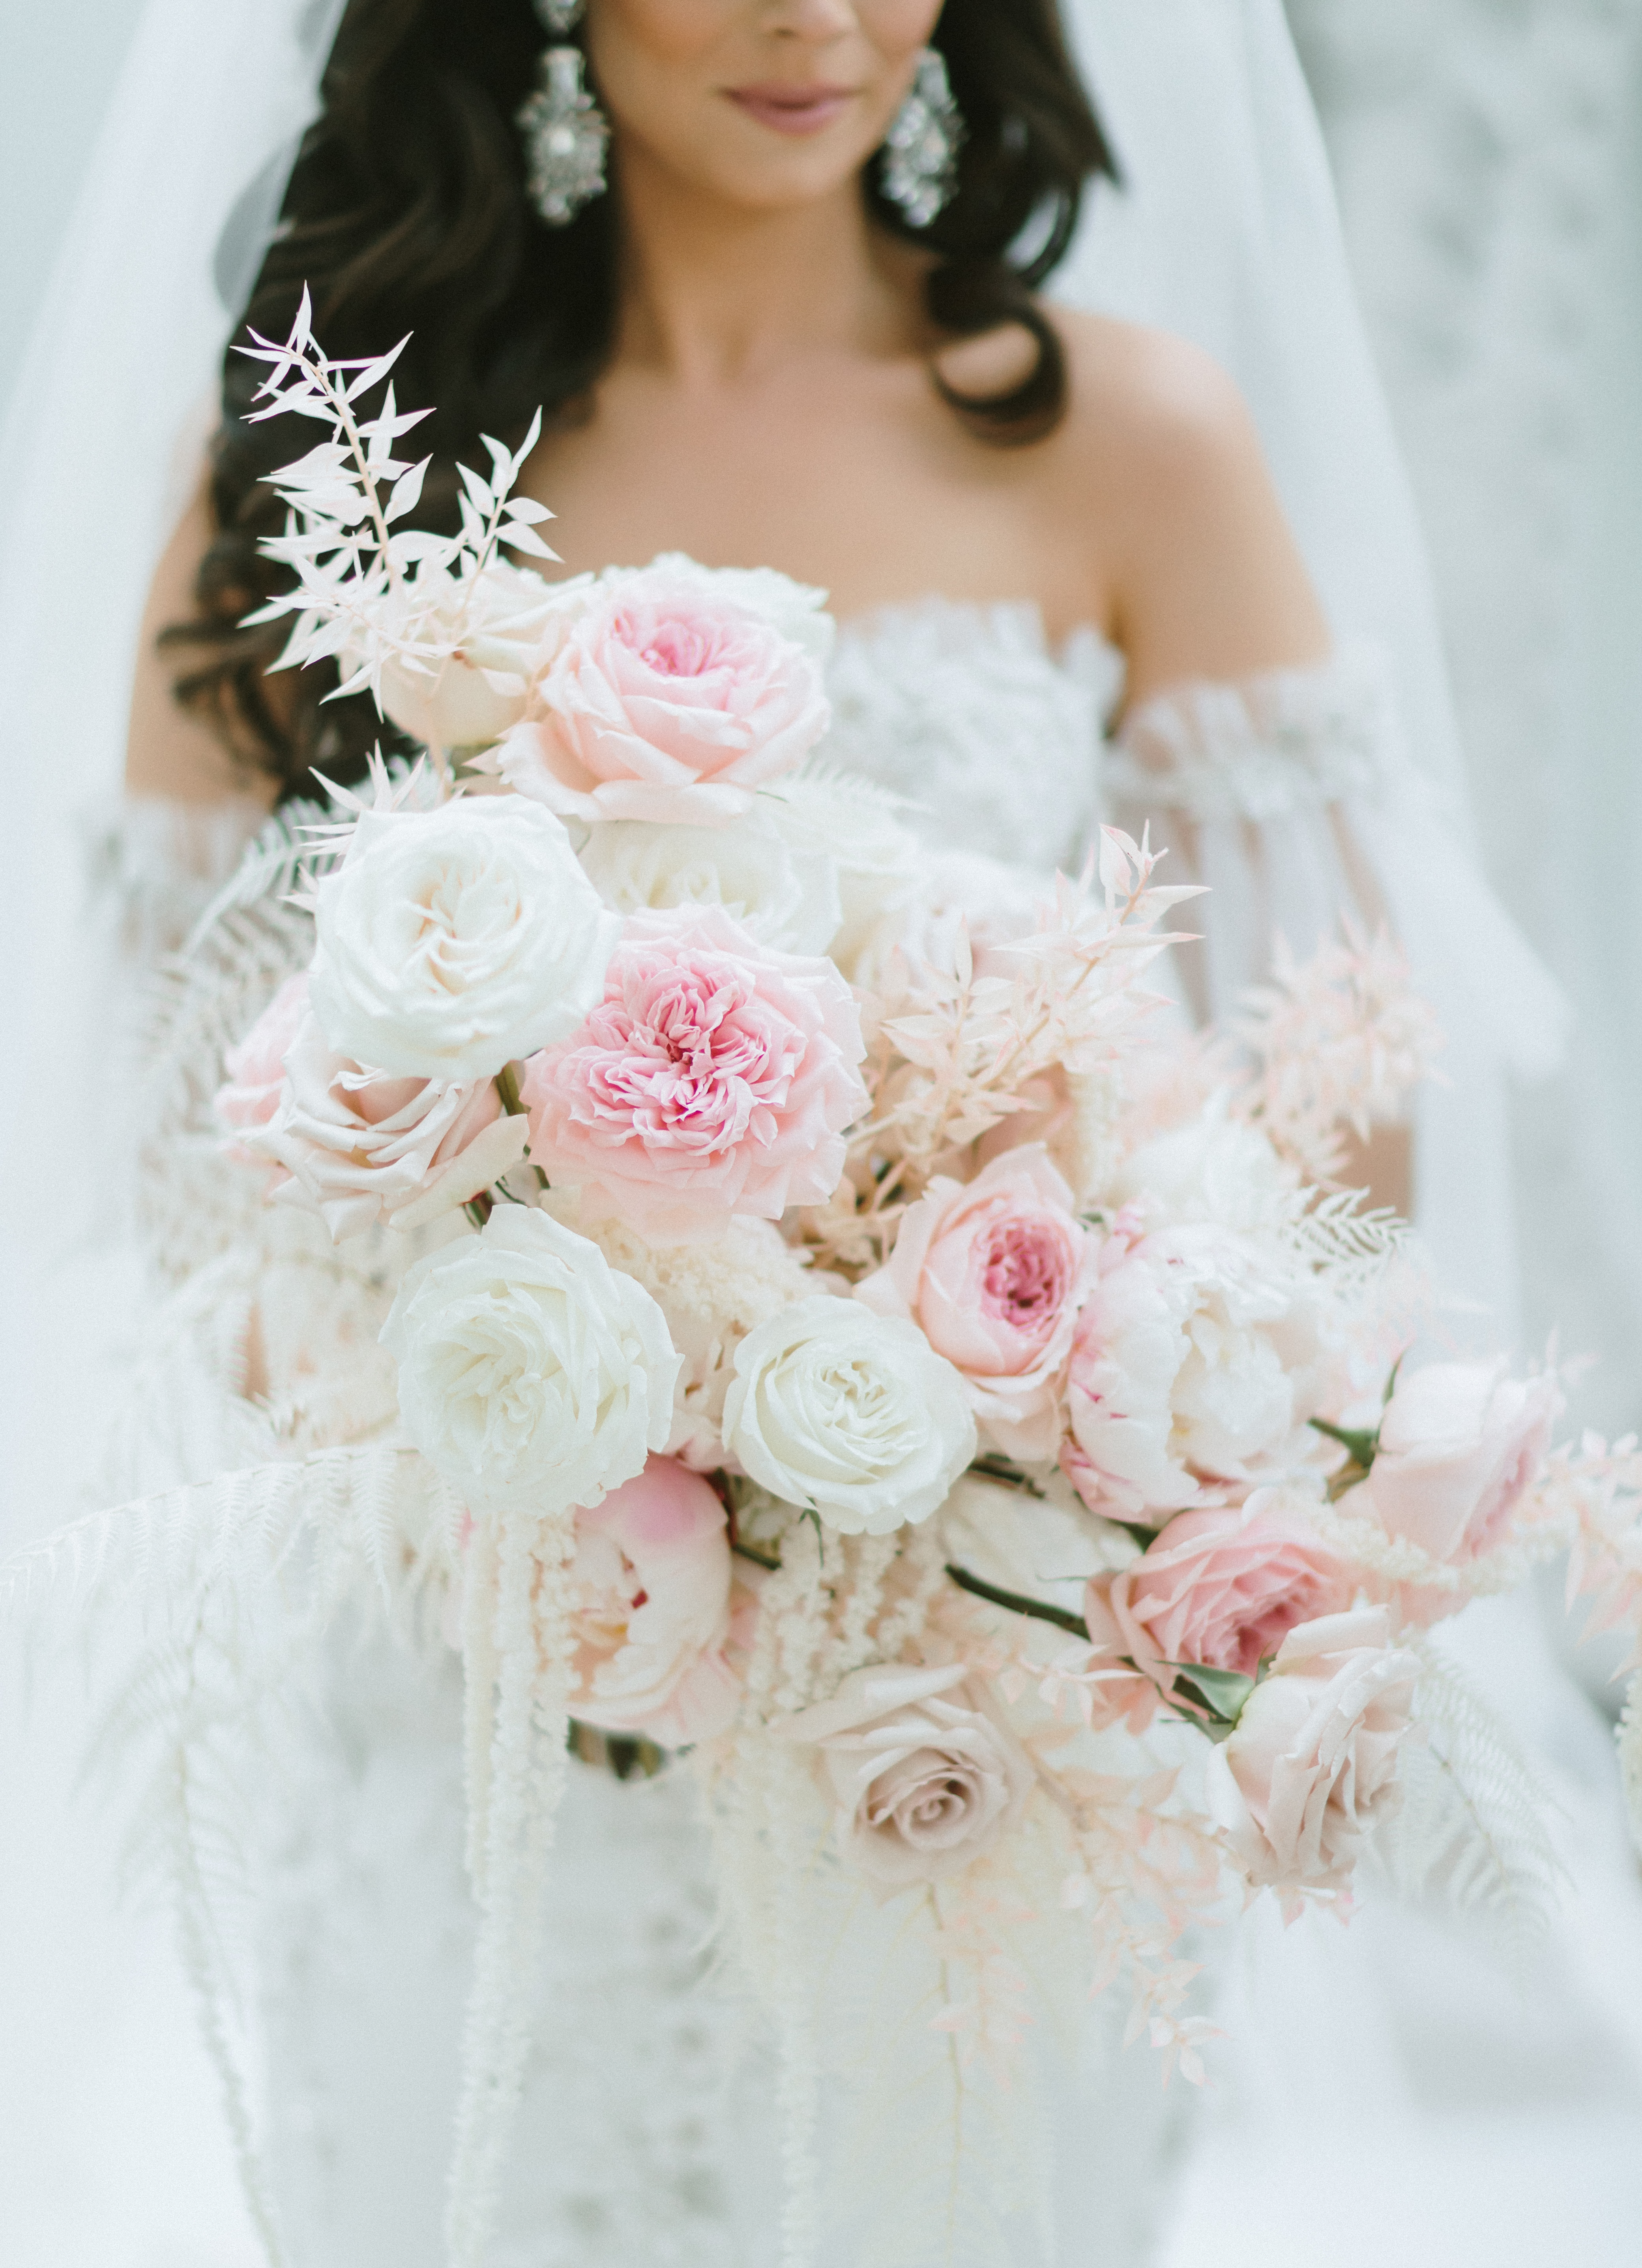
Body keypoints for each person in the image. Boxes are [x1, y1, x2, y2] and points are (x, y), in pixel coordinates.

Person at [0, 2, 1560, 2262]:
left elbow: (1335, 1166)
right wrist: (548, 1349)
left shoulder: (1129, 446)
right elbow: (171, 1158)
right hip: (466, 1733)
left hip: (962, 1766)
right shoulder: (307, 483)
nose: (815, 15)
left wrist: (999, 1366)